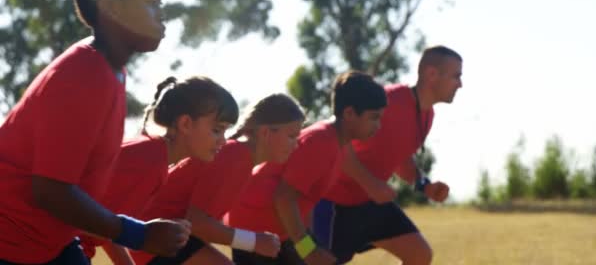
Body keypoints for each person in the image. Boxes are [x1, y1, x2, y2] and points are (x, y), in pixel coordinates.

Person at [0, 0, 190, 263]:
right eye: (151, 1)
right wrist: (139, 234)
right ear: (112, 8)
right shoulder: (85, 75)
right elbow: (50, 190)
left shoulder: (111, 71)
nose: (161, 12)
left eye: (161, 1)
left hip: (48, 244)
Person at [312, 46, 463, 265]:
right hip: (335, 203)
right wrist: (371, 184)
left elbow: (400, 158)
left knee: (419, 255)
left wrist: (424, 185)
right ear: (432, 74)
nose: (460, 84)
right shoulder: (388, 100)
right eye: (456, 76)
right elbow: (339, 139)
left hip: (369, 202)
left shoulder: (427, 115)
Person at [225, 71, 387, 265]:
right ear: (349, 114)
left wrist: (311, 243)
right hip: (258, 231)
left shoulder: (338, 145)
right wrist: (308, 250)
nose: (379, 126)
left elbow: (304, 200)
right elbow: (284, 197)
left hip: (280, 234)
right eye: (374, 117)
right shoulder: (320, 141)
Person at [130, 93, 306, 265]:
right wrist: (253, 242)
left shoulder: (240, 158)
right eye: (292, 136)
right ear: (265, 132)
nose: (297, 145)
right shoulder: (236, 157)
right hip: (156, 241)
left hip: (165, 239)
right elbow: (196, 221)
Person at [80, 75, 239, 264]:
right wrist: (144, 233)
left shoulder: (157, 159)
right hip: (54, 249)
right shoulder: (149, 160)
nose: (223, 140)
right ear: (185, 124)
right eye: (217, 130)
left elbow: (108, 221)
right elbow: (78, 214)